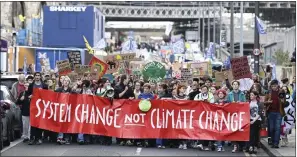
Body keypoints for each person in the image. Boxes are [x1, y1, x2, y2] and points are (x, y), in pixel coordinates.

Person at [225, 80, 246, 153]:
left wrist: (240, 103)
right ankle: (235, 146)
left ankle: (241, 145)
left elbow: (245, 103)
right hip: (232, 114)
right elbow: (226, 104)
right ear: (232, 85)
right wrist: (231, 103)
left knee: (240, 130)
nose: (235, 85)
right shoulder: (229, 94)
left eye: (236, 84)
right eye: (234, 84)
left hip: (240, 114)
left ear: (238, 85)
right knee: (233, 130)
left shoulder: (242, 94)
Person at [264, 80, 286, 148]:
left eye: (275, 86)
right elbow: (264, 102)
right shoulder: (269, 92)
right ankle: (273, 141)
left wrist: (282, 101)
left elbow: (284, 103)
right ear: (271, 86)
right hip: (270, 112)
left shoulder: (281, 92)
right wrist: (269, 102)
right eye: (272, 86)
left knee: (277, 128)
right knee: (272, 128)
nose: (274, 87)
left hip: (279, 112)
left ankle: (276, 143)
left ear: (277, 85)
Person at [28, 72, 48, 145]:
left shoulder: (44, 85)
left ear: (40, 77)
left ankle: (39, 138)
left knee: (40, 123)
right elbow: (28, 94)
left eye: (38, 75)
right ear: (34, 77)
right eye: (36, 75)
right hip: (33, 107)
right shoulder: (31, 85)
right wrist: (29, 96)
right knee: (33, 122)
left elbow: (47, 95)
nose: (37, 77)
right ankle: (32, 138)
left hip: (41, 107)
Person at [114, 75, 134, 146]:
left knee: (127, 124)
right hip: (120, 108)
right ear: (124, 79)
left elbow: (133, 96)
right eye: (127, 78)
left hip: (128, 108)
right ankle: (120, 139)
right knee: (120, 124)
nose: (128, 80)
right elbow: (117, 97)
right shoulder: (117, 87)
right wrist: (125, 90)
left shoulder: (129, 87)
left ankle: (128, 139)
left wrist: (131, 98)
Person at [195, 85, 215, 151]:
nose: (204, 90)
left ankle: (206, 145)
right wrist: (200, 101)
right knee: (200, 129)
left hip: (208, 115)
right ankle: (200, 143)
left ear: (207, 90)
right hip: (199, 114)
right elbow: (194, 102)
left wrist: (206, 101)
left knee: (207, 130)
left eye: (205, 89)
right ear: (201, 89)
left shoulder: (211, 95)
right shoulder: (198, 96)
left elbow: (212, 103)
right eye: (203, 89)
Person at [55, 76, 72, 145]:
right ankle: (60, 137)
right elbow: (53, 96)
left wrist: (70, 95)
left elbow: (76, 98)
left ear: (69, 82)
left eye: (67, 81)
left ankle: (67, 138)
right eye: (65, 80)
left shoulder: (71, 90)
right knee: (61, 123)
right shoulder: (59, 89)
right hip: (60, 108)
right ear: (62, 82)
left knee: (67, 123)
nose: (66, 82)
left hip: (68, 109)